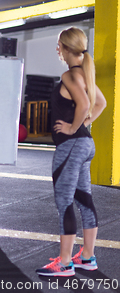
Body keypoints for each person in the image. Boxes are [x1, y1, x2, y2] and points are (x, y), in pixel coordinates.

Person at [36, 27, 106, 277]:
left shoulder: (69, 75)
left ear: (66, 48)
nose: (57, 49)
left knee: (64, 202)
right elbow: (101, 103)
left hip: (71, 146)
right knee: (84, 200)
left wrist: (73, 127)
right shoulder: (85, 74)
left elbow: (87, 104)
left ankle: (64, 263)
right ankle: (87, 257)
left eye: (59, 45)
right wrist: (84, 127)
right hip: (85, 144)